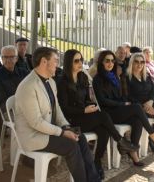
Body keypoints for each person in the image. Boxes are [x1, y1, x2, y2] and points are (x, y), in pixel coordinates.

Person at [14, 47, 100, 182]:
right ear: (44, 62)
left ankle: (94, 179)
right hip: (33, 136)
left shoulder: (51, 81)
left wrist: (66, 127)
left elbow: (57, 109)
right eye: (55, 60)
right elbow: (35, 122)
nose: (57, 64)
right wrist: (62, 132)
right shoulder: (28, 86)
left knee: (80, 138)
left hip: (47, 131)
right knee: (71, 145)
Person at [57, 49, 138, 179]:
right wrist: (84, 110)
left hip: (85, 116)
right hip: (71, 120)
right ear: (68, 62)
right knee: (103, 116)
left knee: (104, 131)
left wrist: (91, 105)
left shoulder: (82, 77)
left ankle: (97, 161)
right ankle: (120, 141)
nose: (80, 63)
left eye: (81, 60)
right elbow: (63, 109)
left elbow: (87, 99)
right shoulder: (62, 82)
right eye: (76, 61)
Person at [93, 50, 154, 166]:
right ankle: (152, 134)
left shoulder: (114, 77)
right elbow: (102, 100)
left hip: (118, 110)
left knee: (137, 120)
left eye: (112, 61)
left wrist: (124, 103)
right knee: (136, 107)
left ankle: (133, 153)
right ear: (101, 62)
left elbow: (121, 96)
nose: (110, 63)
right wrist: (123, 104)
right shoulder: (98, 79)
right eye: (107, 61)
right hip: (109, 114)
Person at [0, 45, 28, 133]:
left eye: (12, 57)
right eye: (5, 57)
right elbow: (3, 102)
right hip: (9, 110)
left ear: (16, 58)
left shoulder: (24, 72)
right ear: (2, 59)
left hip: (27, 106)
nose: (8, 60)